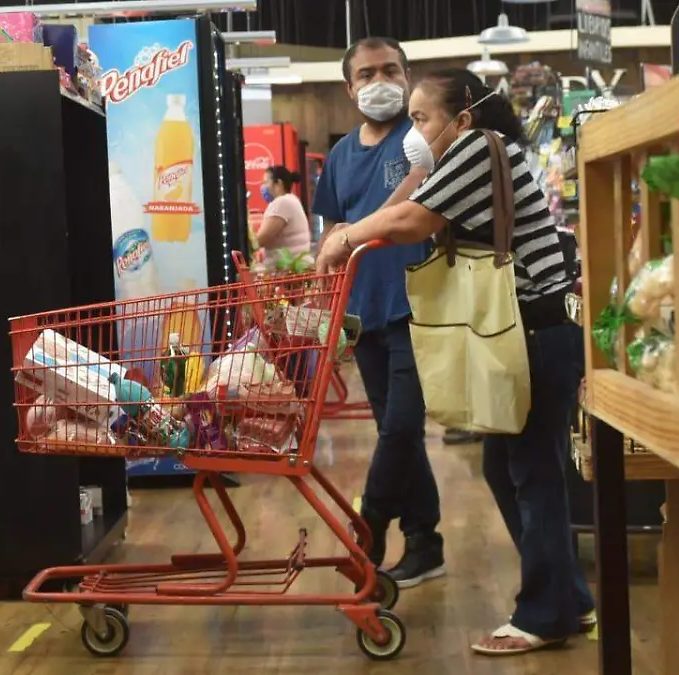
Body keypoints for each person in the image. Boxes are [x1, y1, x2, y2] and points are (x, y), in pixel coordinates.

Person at [315, 68, 596, 656]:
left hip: (537, 336)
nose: (412, 131)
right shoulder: (479, 151)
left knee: (532, 472)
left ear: (462, 118)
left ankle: (547, 615)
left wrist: (342, 239)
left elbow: (409, 220)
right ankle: (568, 597)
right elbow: (409, 200)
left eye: (421, 119)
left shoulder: (475, 148)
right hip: (533, 334)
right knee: (510, 466)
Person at [311, 36, 445, 589]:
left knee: (401, 428)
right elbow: (332, 237)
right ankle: (425, 542)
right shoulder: (341, 155)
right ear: (349, 87)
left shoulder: (424, 140)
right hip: (364, 315)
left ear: (408, 76)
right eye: (366, 74)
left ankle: (368, 529)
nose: (379, 82)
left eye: (391, 70)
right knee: (399, 433)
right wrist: (331, 316)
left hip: (419, 308)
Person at [255, 165, 312, 265]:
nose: (262, 187)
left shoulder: (282, 203)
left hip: (289, 269)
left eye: (266, 182)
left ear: (279, 183)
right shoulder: (291, 200)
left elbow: (261, 240)